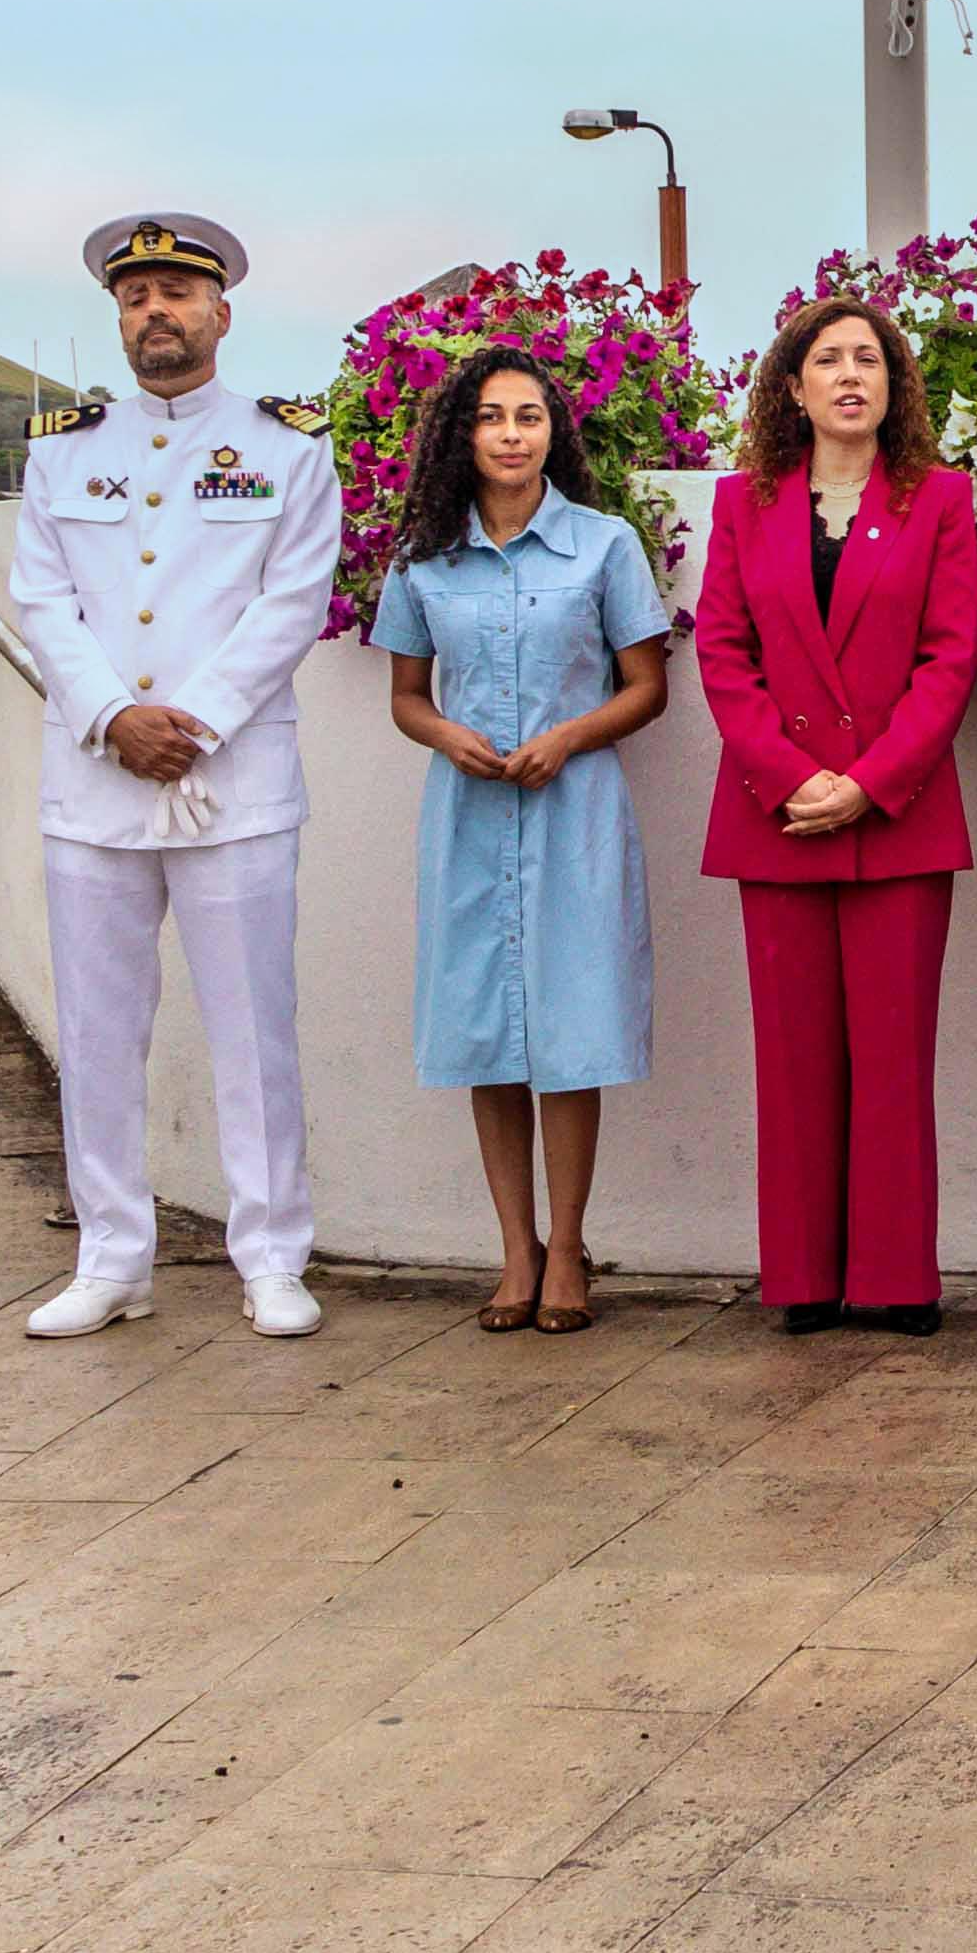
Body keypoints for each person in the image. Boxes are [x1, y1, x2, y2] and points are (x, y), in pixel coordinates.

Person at [11, 213, 341, 1341]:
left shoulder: (291, 448)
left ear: (221, 314)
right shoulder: (61, 450)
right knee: (98, 1033)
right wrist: (115, 717)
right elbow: (42, 601)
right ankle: (111, 1255)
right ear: (117, 314)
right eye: (137, 294)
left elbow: (291, 601)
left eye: (177, 294)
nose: (156, 311)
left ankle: (271, 1254)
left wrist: (188, 721)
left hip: (231, 782)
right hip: (97, 783)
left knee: (255, 1029)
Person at [691, 292, 977, 1333]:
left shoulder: (939, 499)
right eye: (831, 360)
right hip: (776, 819)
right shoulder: (743, 502)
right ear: (794, 386)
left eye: (871, 359)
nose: (852, 375)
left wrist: (866, 782)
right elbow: (722, 653)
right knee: (794, 1059)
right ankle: (805, 1281)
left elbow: (952, 657)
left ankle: (900, 1279)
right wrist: (789, 778)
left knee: (896, 1058)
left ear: (895, 386)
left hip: (895, 818)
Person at [376, 344, 676, 1334]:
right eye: (493, 418)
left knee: (571, 1031)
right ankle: (517, 1249)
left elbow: (647, 687)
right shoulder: (425, 561)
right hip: (467, 821)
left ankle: (572, 1247)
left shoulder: (604, 546)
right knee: (488, 1037)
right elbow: (408, 700)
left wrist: (568, 738)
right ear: (464, 436)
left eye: (529, 417)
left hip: (574, 812)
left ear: (555, 432)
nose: (511, 434)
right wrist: (446, 734)